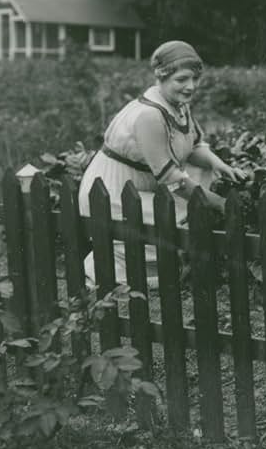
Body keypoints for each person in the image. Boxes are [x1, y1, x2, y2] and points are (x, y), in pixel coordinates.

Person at [78, 40, 246, 282]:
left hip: (143, 185)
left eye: (195, 79)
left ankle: (159, 271)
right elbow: (171, 179)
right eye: (182, 79)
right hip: (112, 191)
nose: (190, 87)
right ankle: (106, 272)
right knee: (181, 220)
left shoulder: (177, 105)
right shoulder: (150, 116)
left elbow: (193, 146)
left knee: (190, 203)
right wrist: (218, 203)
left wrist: (218, 165)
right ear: (162, 77)